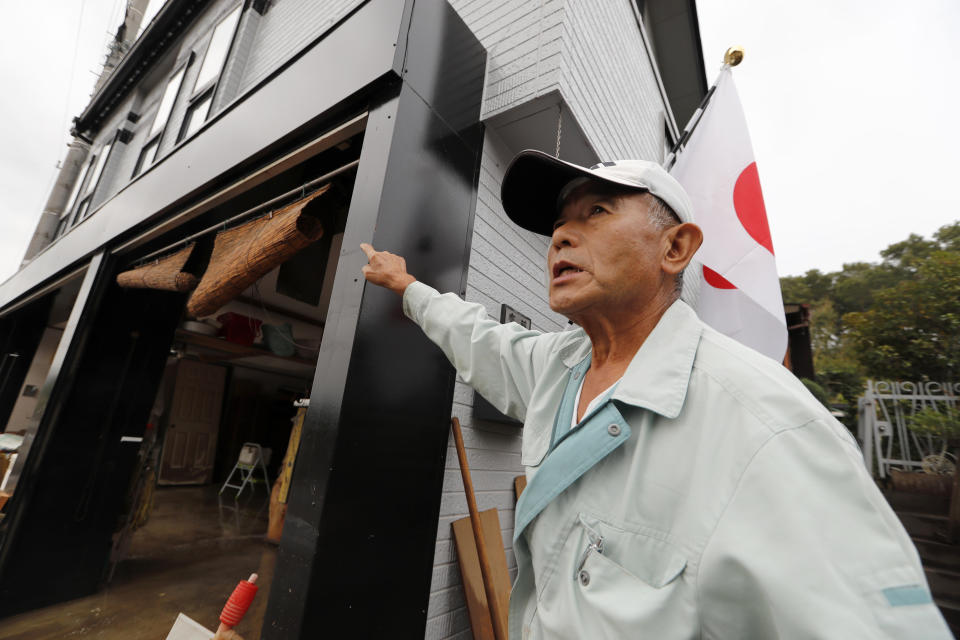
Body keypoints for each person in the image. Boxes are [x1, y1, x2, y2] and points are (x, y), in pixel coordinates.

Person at [360, 150, 951, 639]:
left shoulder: (765, 424)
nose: (562, 235)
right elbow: (479, 338)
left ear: (675, 249)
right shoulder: (558, 366)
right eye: (559, 223)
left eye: (597, 211)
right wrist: (405, 285)